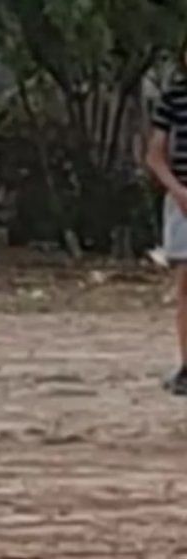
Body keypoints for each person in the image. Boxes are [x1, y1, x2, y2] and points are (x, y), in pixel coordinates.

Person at [146, 61, 187, 395]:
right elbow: (155, 155)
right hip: (184, 201)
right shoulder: (173, 98)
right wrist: (177, 190)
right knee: (185, 287)